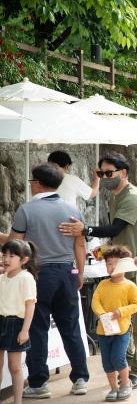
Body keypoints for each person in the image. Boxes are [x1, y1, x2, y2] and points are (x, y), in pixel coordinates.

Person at [59, 152, 137, 388]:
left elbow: (117, 225)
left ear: (123, 173)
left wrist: (86, 230)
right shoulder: (115, 196)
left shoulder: (133, 197)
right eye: (101, 174)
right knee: (121, 317)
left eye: (109, 173)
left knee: (136, 319)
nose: (105, 177)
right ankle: (127, 367)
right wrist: (107, 249)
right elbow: (118, 232)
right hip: (122, 264)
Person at [0, 163, 89, 398]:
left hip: (38, 275)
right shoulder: (73, 209)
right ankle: (80, 378)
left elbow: (14, 245)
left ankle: (39, 383)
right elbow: (80, 245)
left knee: (37, 329)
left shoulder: (26, 210)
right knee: (70, 328)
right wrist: (79, 272)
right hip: (67, 273)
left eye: (31, 183)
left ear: (37, 184)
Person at [91, 246, 137, 402]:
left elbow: (136, 305)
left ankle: (125, 383)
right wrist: (102, 313)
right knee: (107, 362)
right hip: (103, 330)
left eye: (116, 263)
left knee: (118, 358)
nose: (111, 267)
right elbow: (95, 302)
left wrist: (122, 311)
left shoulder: (130, 286)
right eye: (108, 263)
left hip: (122, 330)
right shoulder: (103, 285)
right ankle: (113, 388)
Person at [0, 240, 38, 404]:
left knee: (15, 367)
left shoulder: (26, 278)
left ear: (24, 260)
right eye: (4, 255)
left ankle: (18, 401)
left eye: (11, 256)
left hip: (16, 324)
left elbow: (30, 305)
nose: (6, 259)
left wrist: (25, 330)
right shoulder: (1, 277)